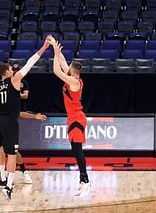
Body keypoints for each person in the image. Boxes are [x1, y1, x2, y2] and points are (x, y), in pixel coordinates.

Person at [0, 37, 50, 199]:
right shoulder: (14, 80)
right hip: (11, 122)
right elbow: (31, 63)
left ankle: (2, 178)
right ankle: (8, 185)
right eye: (11, 70)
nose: (13, 71)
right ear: (7, 72)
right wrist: (44, 48)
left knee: (2, 149)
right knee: (12, 154)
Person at [0, 96, 47, 186]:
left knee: (13, 153)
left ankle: (24, 172)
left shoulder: (8, 106)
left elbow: (20, 114)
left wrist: (35, 116)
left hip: (4, 130)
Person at [50, 38, 91, 195]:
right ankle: (83, 179)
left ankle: (85, 180)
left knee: (77, 150)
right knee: (75, 150)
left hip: (77, 118)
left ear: (74, 72)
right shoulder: (73, 76)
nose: (68, 69)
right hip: (73, 117)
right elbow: (63, 64)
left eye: (70, 69)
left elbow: (57, 71)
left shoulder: (74, 82)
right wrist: (55, 46)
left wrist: (55, 54)